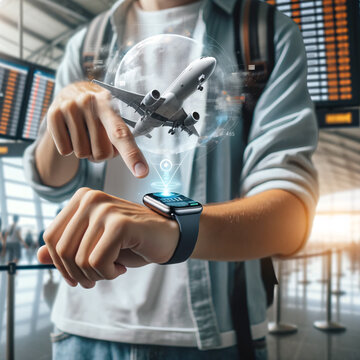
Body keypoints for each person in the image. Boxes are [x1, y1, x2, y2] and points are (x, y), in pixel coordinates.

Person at [24, 0, 319, 359]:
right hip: (81, 328)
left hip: (217, 338)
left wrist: (177, 231)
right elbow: (51, 186)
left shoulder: (265, 33)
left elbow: (291, 218)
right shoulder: (88, 42)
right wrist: (63, 124)